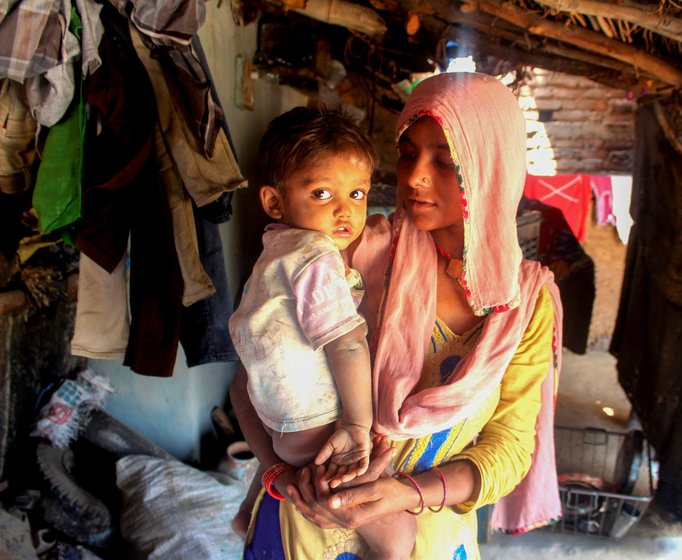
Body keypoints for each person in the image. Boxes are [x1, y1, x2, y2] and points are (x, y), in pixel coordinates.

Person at [230, 72, 564, 559]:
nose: (413, 177)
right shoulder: (347, 253)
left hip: (428, 538)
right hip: (306, 523)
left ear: (491, 167)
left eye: (445, 161)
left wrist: (407, 494)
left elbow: (510, 448)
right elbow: (256, 369)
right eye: (408, 153)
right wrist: (276, 470)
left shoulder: (525, 305)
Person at [228, 106, 417, 559]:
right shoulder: (316, 255)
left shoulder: (272, 253)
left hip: (279, 426)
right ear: (275, 202)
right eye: (321, 193)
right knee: (399, 539)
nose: (344, 210)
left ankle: (248, 509)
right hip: (320, 428)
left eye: (356, 193)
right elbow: (346, 341)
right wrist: (357, 424)